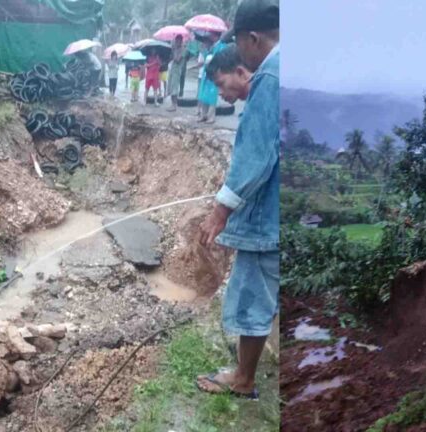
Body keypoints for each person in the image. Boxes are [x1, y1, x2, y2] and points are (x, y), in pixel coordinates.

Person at [196, 0, 279, 400]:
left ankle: (244, 380)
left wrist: (220, 211)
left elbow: (257, 157)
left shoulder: (271, 79)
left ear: (253, 39)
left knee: (253, 295)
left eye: (221, 83)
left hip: (269, 219)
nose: (222, 92)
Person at [167, 35, 186, 112]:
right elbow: (171, 58)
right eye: (176, 41)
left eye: (178, 41)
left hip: (177, 70)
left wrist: (175, 52)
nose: (176, 42)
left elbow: (178, 60)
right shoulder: (175, 49)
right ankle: (172, 104)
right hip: (172, 69)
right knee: (171, 87)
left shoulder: (183, 50)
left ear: (180, 41)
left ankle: (174, 105)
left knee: (174, 87)